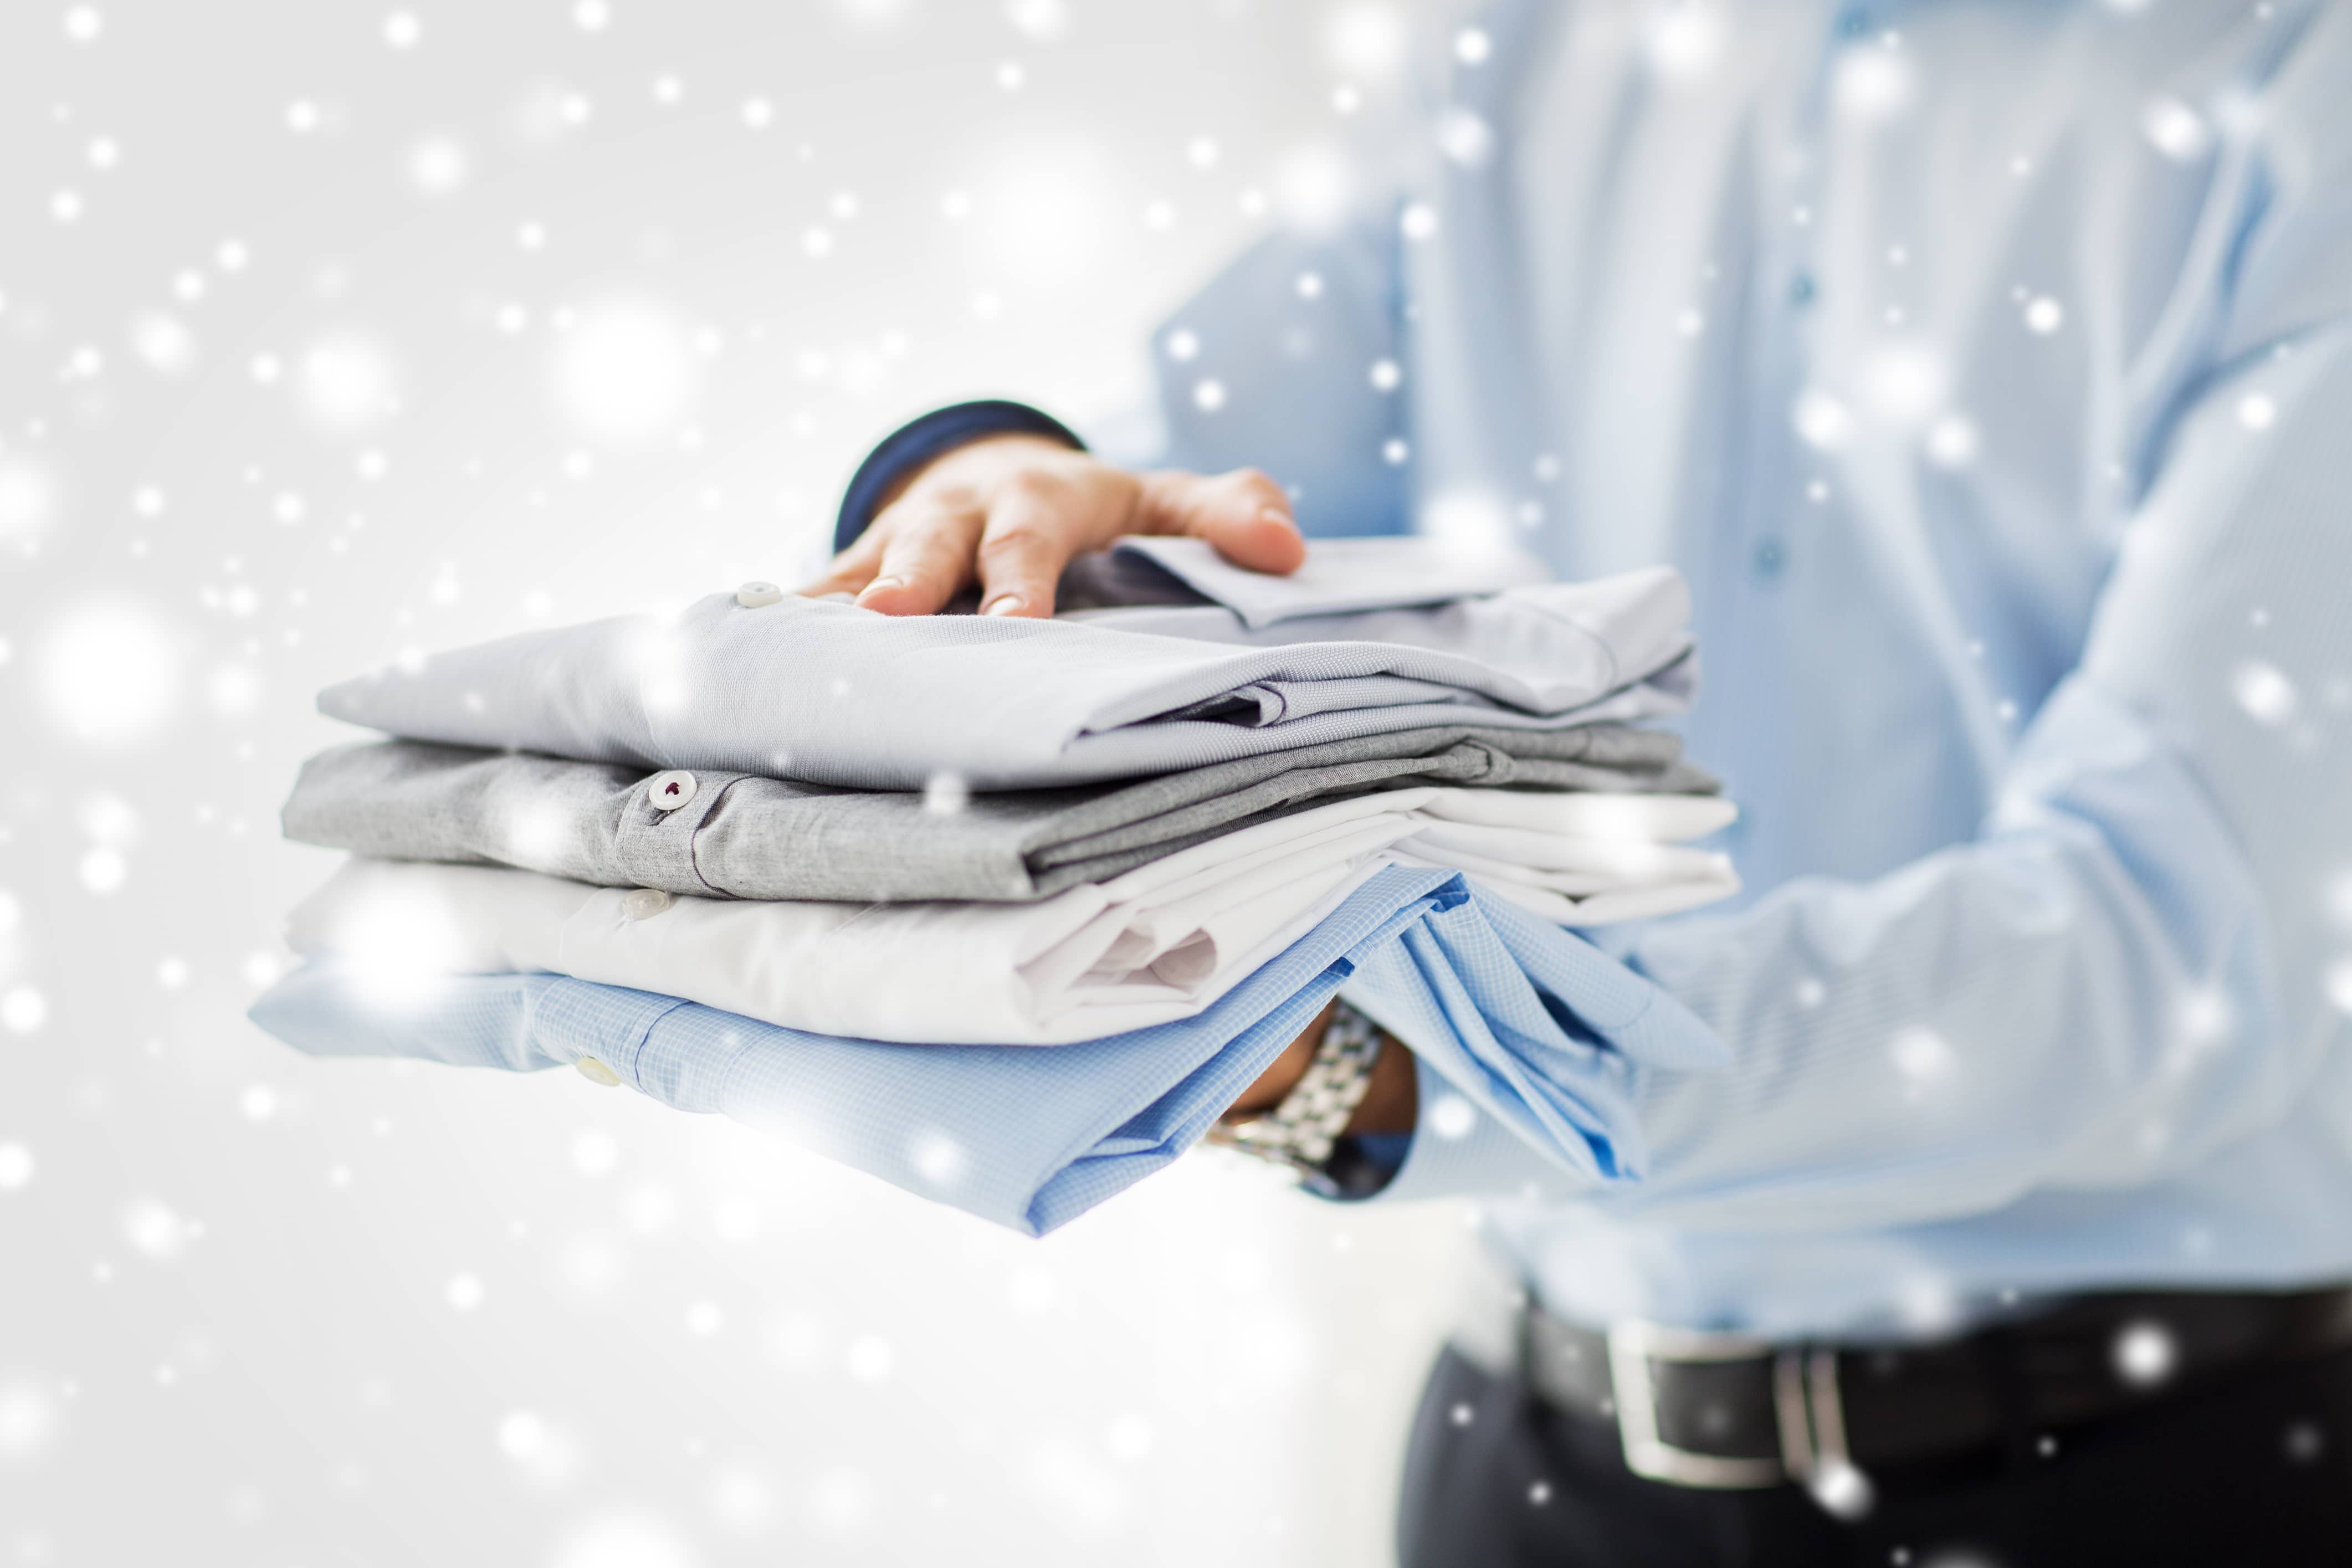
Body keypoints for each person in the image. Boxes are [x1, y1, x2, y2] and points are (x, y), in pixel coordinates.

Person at [806, 2, 2352, 1561]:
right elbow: (1202, 513)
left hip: (2147, 1490)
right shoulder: (1523, 36)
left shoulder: (2303, 92)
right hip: (1530, 1467)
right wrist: (995, 484)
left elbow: (2164, 951)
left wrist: (1407, 1071)